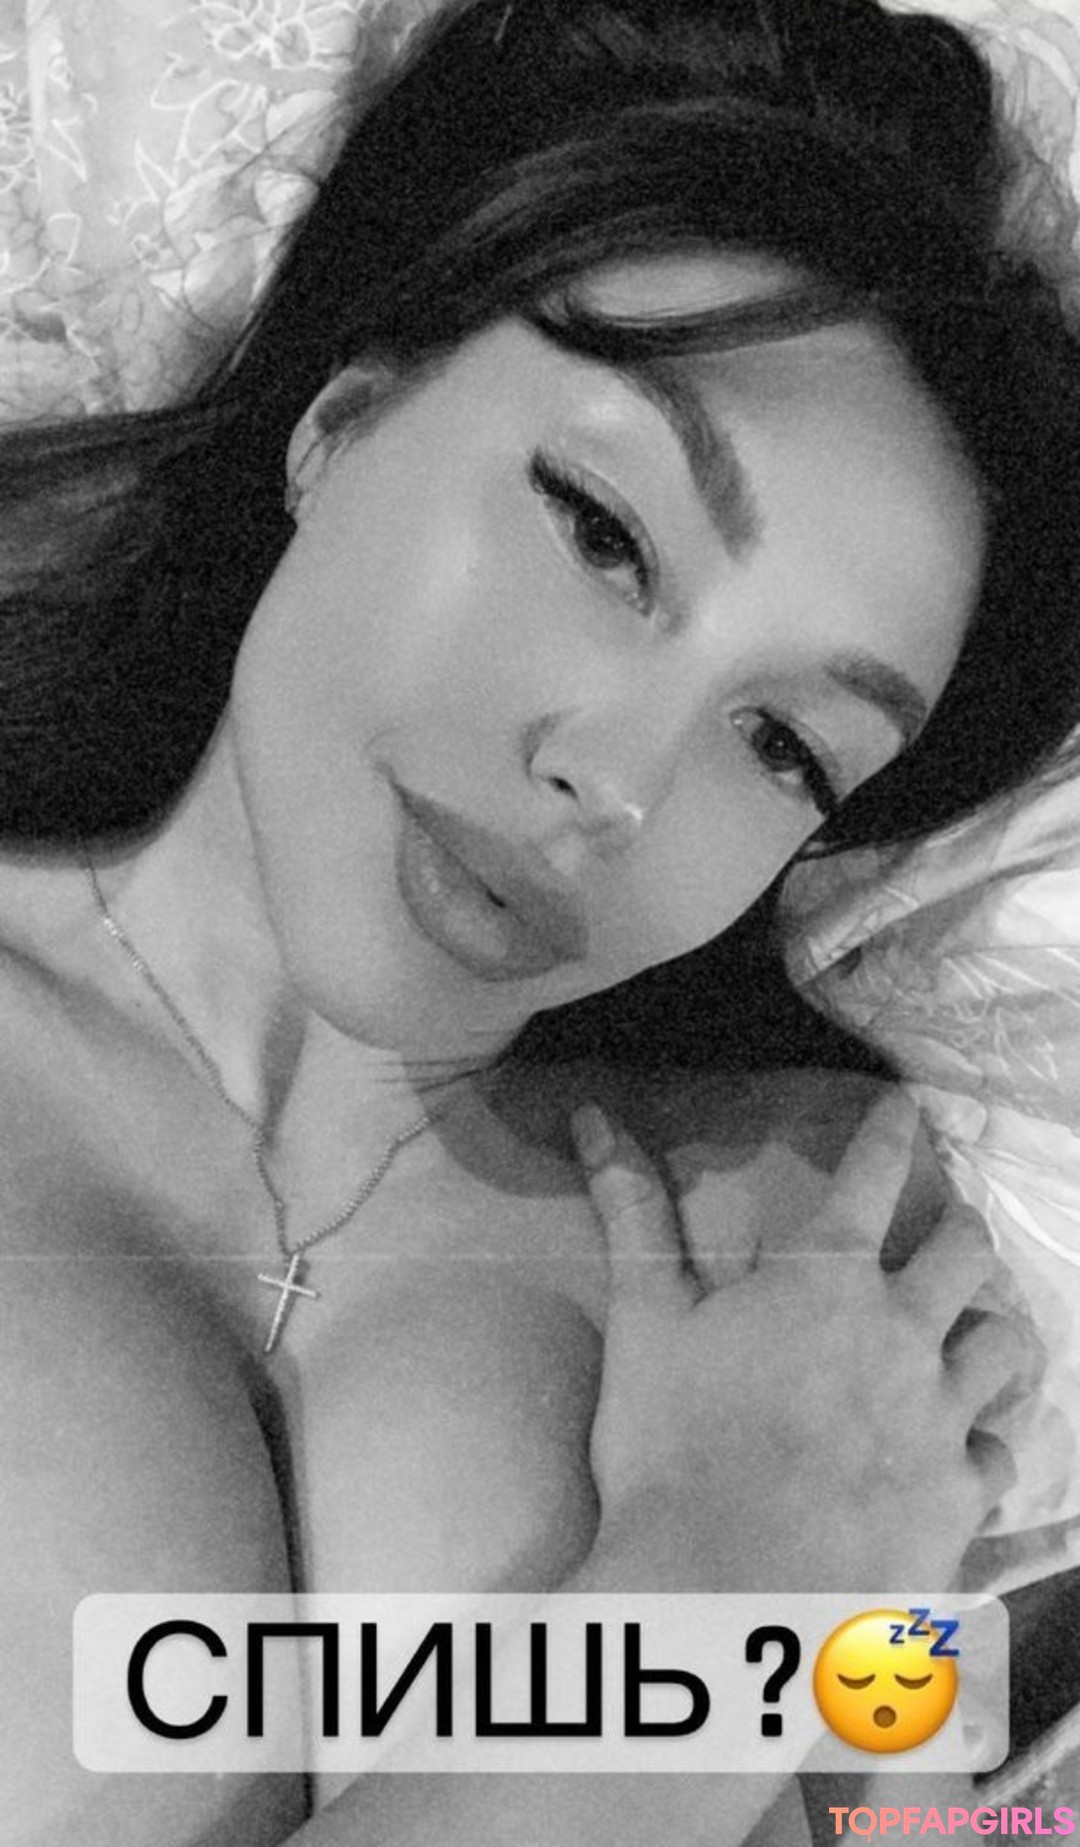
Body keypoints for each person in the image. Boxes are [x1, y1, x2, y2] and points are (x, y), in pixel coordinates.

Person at [2, 0, 1080, 1841]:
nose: (620, 782)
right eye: (601, 531)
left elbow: (943, 1829)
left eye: (786, 747)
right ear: (344, 419)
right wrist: (722, 1580)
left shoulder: (812, 1234)